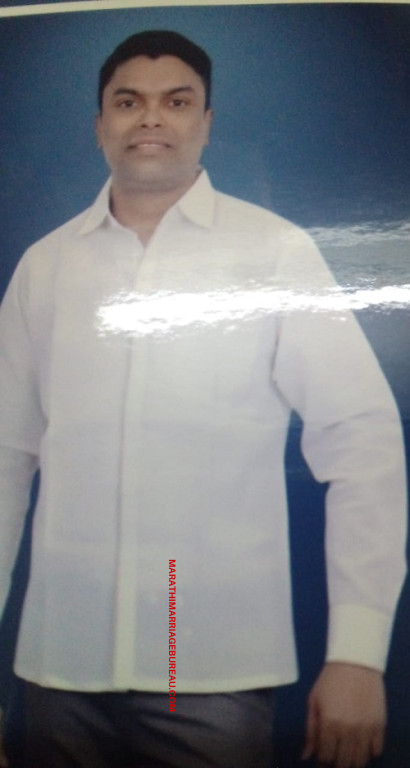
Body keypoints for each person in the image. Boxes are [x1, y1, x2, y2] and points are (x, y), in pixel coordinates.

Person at [0, 29, 406, 768]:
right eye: (129, 102)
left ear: (207, 123)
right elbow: (3, 458)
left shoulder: (273, 253)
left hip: (211, 671)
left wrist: (357, 652)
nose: (151, 118)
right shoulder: (46, 267)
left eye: (177, 101)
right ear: (99, 125)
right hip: (61, 667)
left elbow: (363, 441)